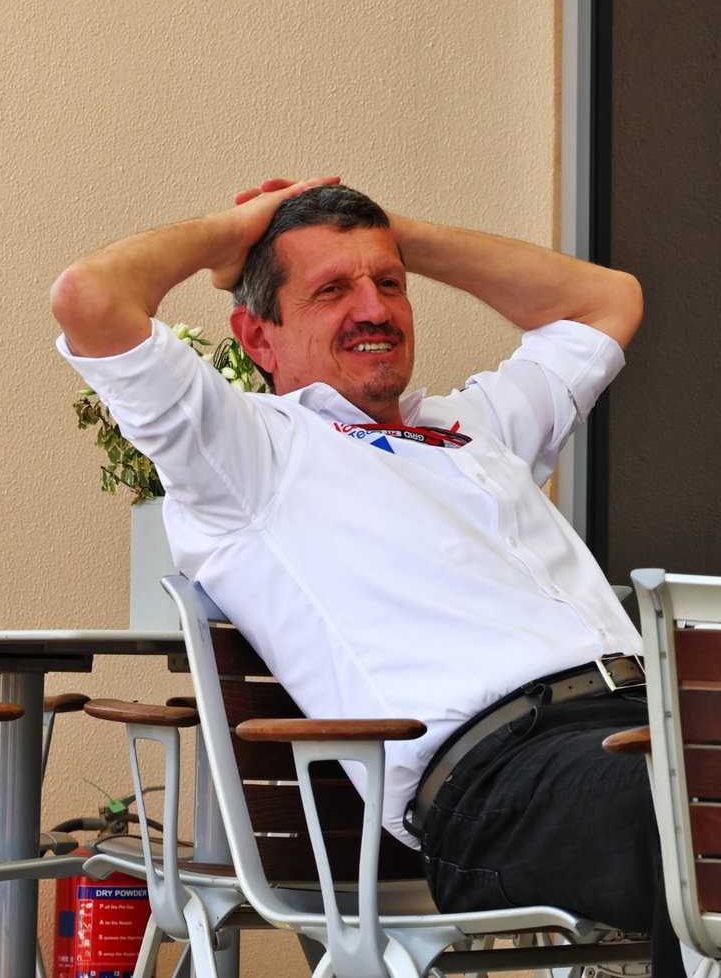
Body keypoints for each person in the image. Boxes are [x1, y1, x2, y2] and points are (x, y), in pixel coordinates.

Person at [51, 178, 684, 975]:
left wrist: (396, 233)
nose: (374, 309)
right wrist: (235, 231)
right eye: (331, 291)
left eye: (390, 283)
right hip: (504, 781)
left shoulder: (473, 427)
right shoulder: (246, 456)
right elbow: (89, 297)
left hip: (655, 724)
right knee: (712, 819)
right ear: (257, 337)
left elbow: (607, 301)